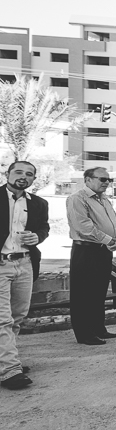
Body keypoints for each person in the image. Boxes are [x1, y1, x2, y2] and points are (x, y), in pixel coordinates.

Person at [0, 161, 49, 389]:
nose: (23, 176)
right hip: (1, 264)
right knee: (3, 319)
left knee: (18, 316)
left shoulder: (39, 203)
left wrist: (37, 237)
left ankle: (8, 361)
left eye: (29, 174)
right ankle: (10, 371)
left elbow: (44, 228)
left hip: (25, 263)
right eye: (18, 172)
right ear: (8, 174)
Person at [66, 167, 116, 345]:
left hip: (103, 250)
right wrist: (109, 239)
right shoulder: (77, 198)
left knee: (99, 292)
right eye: (102, 179)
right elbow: (83, 227)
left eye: (108, 180)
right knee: (83, 293)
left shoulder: (104, 199)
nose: (106, 183)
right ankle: (84, 334)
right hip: (86, 250)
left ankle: (98, 328)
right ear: (88, 180)